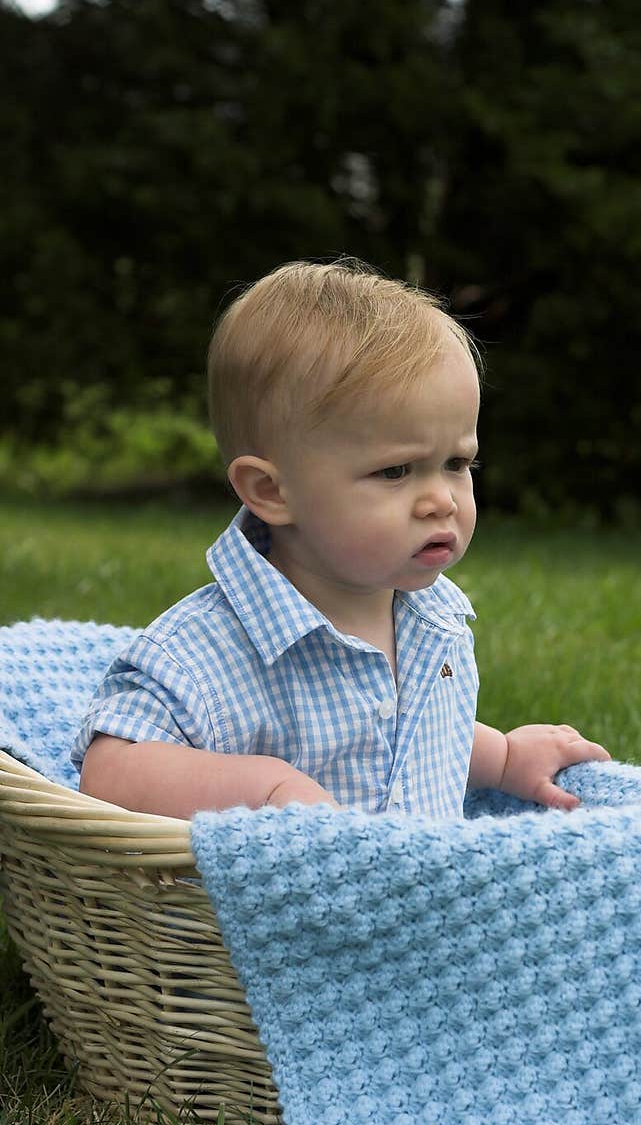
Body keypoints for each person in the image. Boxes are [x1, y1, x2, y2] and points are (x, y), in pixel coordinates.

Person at [72, 258, 609, 819]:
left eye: (456, 463)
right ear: (271, 492)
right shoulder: (206, 652)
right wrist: (265, 790)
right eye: (396, 472)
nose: (442, 500)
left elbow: (400, 742)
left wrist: (502, 758)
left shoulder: (433, 621)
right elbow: (109, 772)